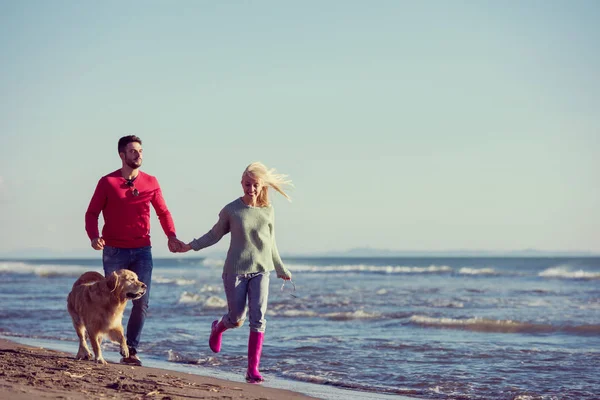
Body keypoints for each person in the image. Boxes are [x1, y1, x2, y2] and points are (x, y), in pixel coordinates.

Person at [178, 162, 293, 383]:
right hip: (235, 271)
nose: (251, 189)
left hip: (261, 271)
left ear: (262, 186)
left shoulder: (268, 211)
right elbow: (214, 235)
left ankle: (252, 370)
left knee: (258, 318)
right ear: (241, 184)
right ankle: (218, 328)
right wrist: (190, 246)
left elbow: (271, 244)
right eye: (247, 184)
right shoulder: (232, 210)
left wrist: (280, 268)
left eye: (255, 185)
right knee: (236, 318)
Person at [85, 135, 185, 366]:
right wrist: (94, 237)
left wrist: (171, 236)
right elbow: (92, 213)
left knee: (142, 302)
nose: (138, 154)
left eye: (140, 150)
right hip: (114, 251)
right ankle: (96, 341)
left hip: (142, 250)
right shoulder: (107, 182)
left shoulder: (150, 182)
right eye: (132, 151)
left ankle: (131, 350)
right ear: (122, 155)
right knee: (111, 300)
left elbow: (163, 212)